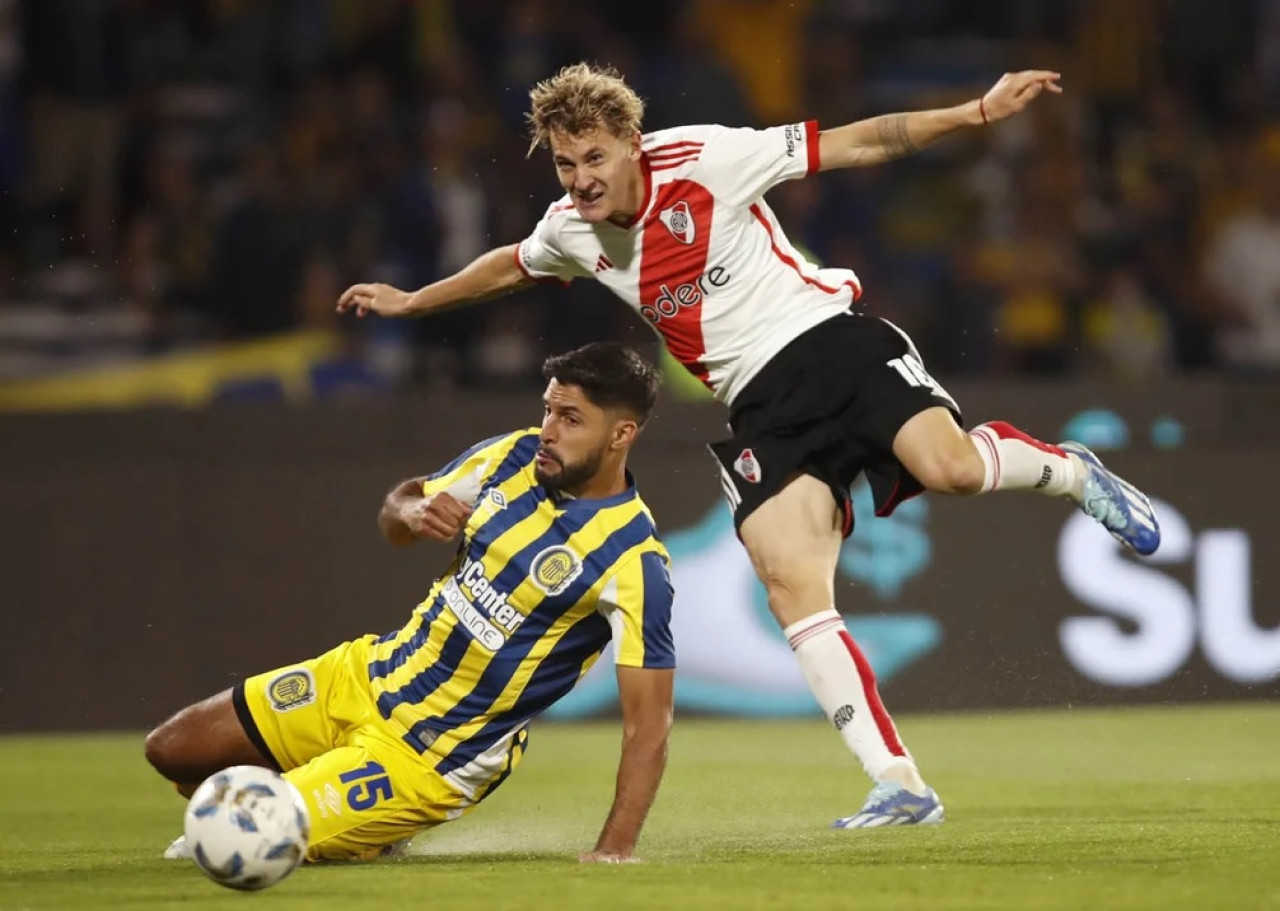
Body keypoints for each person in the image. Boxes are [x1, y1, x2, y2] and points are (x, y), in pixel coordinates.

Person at [335, 63, 1162, 828]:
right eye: (562, 163)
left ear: (631, 142)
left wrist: (976, 112)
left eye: (592, 156)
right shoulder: (571, 230)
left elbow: (858, 141)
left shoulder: (706, 158)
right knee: (789, 582)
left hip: (828, 342)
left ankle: (1069, 470)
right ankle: (899, 783)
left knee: (949, 468)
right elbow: (511, 266)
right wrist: (413, 302)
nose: (580, 178)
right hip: (761, 405)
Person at [145, 342, 675, 863]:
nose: (549, 431)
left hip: (434, 753)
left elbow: (648, 724)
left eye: (570, 419)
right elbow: (397, 508)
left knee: (243, 834)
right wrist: (413, 513)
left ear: (621, 434)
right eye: (547, 409)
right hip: (368, 674)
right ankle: (339, 811)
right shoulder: (511, 456)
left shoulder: (633, 561)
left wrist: (614, 850)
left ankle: (342, 812)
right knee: (171, 749)